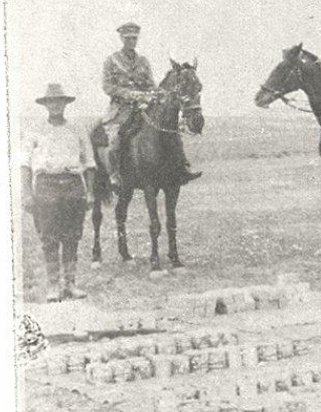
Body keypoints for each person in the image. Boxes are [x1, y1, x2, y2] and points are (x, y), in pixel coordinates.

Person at [96, 22, 200, 191]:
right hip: (120, 109)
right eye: (128, 38)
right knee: (114, 139)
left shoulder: (143, 61)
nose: (131, 41)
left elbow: (151, 84)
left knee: (169, 130)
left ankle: (183, 166)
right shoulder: (111, 61)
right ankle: (115, 175)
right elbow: (108, 86)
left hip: (144, 105)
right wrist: (130, 94)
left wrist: (157, 92)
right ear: (121, 38)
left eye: (134, 38)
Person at [21, 83, 96, 302]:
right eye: (51, 101)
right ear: (46, 105)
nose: (55, 105)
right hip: (46, 185)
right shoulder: (35, 129)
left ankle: (70, 284)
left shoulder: (77, 128)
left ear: (65, 104)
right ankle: (54, 285)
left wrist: (90, 192)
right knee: (49, 236)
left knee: (72, 236)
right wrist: (26, 192)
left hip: (73, 184)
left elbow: (90, 163)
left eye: (59, 101)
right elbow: (24, 164)